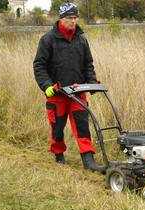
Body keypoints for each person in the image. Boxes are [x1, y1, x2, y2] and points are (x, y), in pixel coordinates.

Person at [33, 2, 104, 173]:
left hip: (77, 91)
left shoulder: (81, 39)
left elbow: (88, 64)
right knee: (57, 127)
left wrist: (92, 82)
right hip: (57, 93)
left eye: (75, 17)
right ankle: (59, 155)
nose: (73, 21)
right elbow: (39, 66)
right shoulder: (48, 39)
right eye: (70, 18)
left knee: (82, 126)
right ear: (61, 18)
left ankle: (88, 160)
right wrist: (46, 86)